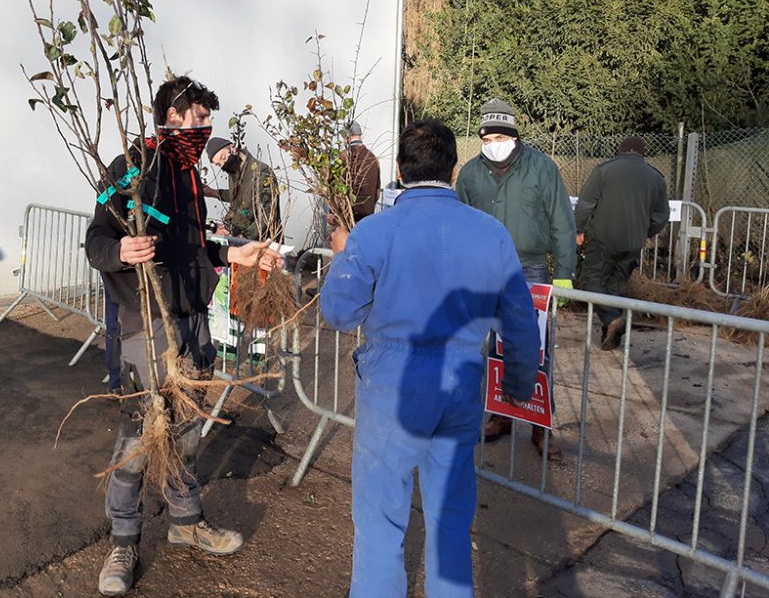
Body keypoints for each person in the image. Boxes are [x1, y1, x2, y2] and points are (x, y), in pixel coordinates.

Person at [320, 120, 541, 598]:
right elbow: (520, 321)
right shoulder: (491, 233)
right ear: (454, 169)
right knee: (449, 520)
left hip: (391, 387)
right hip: (460, 384)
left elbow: (338, 312)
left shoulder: (374, 233)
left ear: (399, 171)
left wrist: (342, 257)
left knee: (380, 523)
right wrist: (519, 386)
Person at [85, 76, 281, 596]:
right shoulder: (132, 167)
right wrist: (120, 253)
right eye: (193, 119)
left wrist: (229, 254)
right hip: (145, 324)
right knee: (139, 436)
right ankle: (124, 541)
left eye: (205, 119)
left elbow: (189, 245)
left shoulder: (187, 173)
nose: (202, 129)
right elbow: (96, 239)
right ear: (166, 117)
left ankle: (186, 521)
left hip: (194, 320)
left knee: (188, 429)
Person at [455, 98, 576, 461]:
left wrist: (565, 274)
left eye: (500, 137)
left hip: (530, 270)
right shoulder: (471, 174)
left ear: (513, 136)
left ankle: (542, 428)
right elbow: (457, 221)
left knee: (534, 350)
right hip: (482, 270)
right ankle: (501, 416)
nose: (494, 144)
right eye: (487, 138)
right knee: (491, 348)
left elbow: (561, 222)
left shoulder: (542, 168)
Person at [575, 135, 670, 350]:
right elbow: (661, 215)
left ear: (620, 150)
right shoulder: (656, 178)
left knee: (591, 282)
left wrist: (578, 228)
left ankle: (612, 319)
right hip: (633, 244)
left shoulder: (604, 170)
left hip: (603, 239)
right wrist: (646, 231)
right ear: (641, 153)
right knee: (614, 287)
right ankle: (610, 336)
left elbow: (586, 204)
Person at [203, 137, 282, 241]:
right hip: (240, 238)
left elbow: (268, 214)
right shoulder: (234, 171)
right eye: (218, 164)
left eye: (222, 157)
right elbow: (239, 197)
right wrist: (212, 192)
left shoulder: (261, 173)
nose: (223, 164)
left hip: (263, 242)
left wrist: (243, 237)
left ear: (232, 148)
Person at [345, 120, 381, 222]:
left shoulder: (344, 157)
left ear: (347, 136)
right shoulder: (373, 158)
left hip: (347, 217)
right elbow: (377, 192)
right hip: (367, 217)